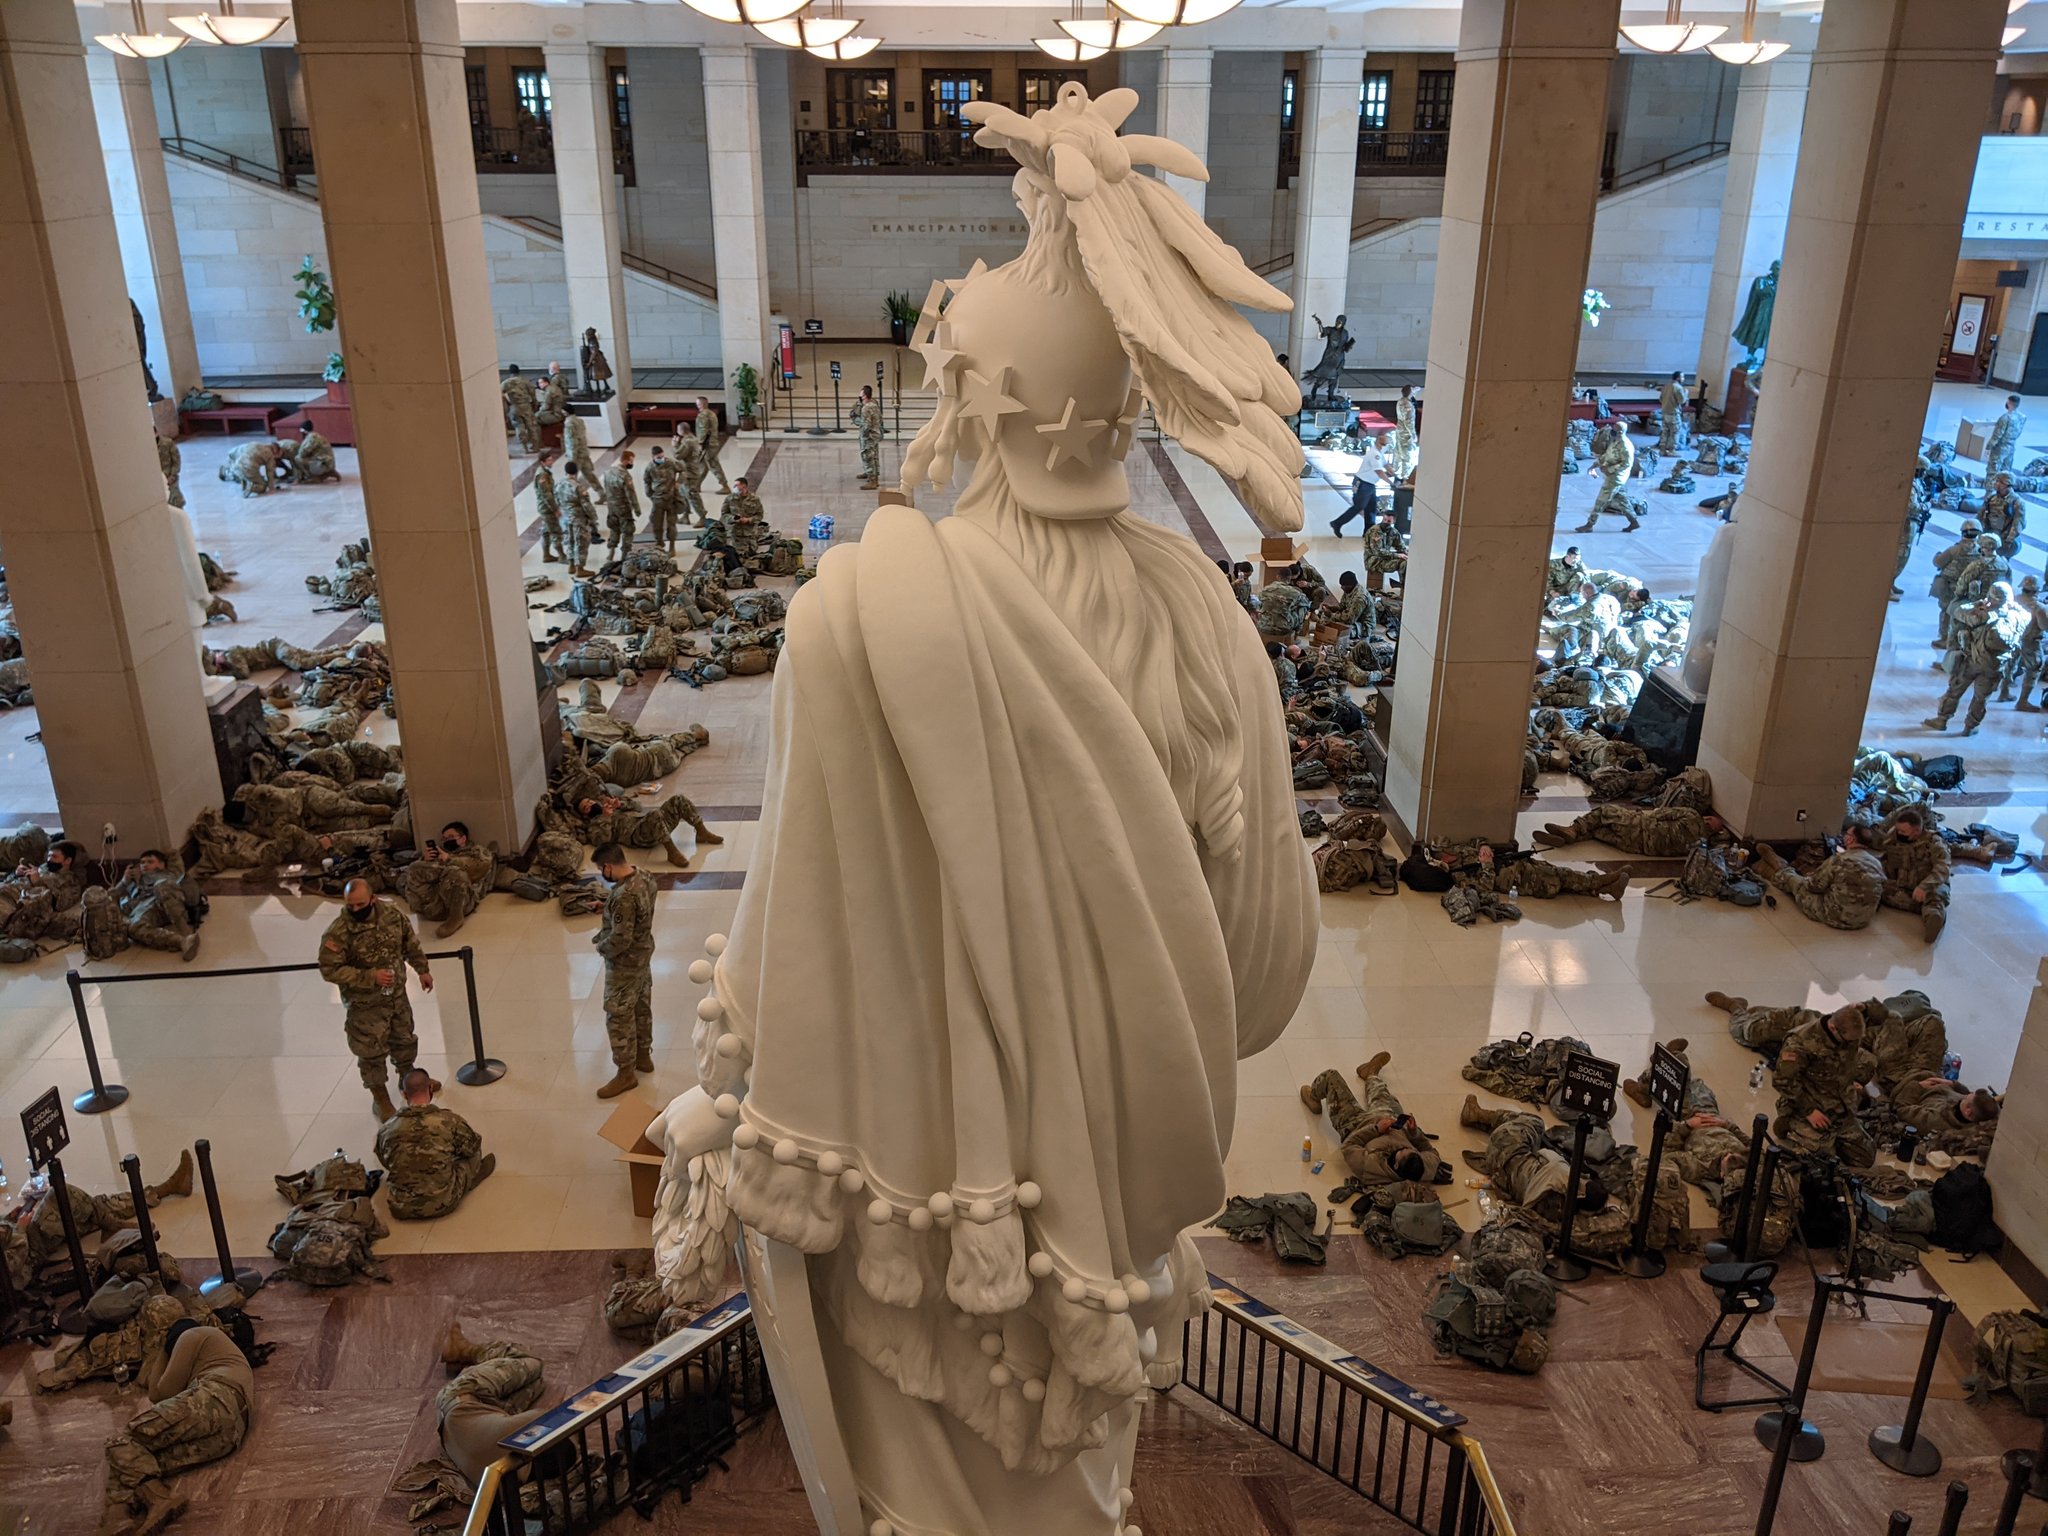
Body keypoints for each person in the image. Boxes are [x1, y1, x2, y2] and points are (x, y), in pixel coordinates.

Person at [95, 1316, 254, 1536]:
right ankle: (119, 1516)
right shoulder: (215, 1351)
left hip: (215, 1400)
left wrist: (163, 1349)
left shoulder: (192, 1335)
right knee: (138, 1459)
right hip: (229, 1434)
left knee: (123, 1439)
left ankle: (151, 1502)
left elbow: (159, 1393)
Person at [317, 877, 434, 1121]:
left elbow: (409, 943)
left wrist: (422, 969)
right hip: (365, 1006)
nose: (356, 910)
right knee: (371, 1052)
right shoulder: (338, 932)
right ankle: (379, 1096)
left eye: (361, 904)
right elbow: (330, 970)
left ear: (372, 898)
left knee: (404, 1039)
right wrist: (370, 976)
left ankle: (410, 1078)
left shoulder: (391, 916)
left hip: (397, 997)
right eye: (351, 906)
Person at [27, 1152, 192, 1271]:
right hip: (31, 1247)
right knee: (60, 1196)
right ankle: (113, 1224)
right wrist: (21, 1229)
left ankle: (169, 1187)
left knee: (91, 1207)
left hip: (26, 1236)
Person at [1300, 1052, 1443, 1188]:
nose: (1405, 1147)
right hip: (1388, 1119)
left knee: (1331, 1077)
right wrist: (1413, 1133)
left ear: (1396, 1165)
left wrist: (1376, 1129)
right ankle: (1370, 1073)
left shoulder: (1371, 1169)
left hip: (1355, 1125)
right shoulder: (1425, 1167)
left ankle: (1313, 1096)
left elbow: (1349, 1146)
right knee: (1382, 1095)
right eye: (1409, 1149)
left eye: (1402, 1151)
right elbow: (1430, 1151)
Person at [1456, 1100, 1607, 1223]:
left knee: (1536, 1123)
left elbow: (1545, 1153)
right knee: (1528, 1141)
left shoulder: (1563, 1174)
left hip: (1505, 1144)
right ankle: (1483, 1124)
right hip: (1498, 1173)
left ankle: (1480, 1115)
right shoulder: (1559, 1215)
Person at [375, 1067, 495, 1220]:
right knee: (473, 1155)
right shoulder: (449, 1121)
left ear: (404, 1094)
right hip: (443, 1203)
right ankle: (471, 1177)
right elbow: (472, 1146)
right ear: (430, 1088)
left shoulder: (386, 1129)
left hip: (400, 1206)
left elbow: (385, 1161)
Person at [436, 1325, 550, 1484]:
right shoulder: (512, 1482)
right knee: (537, 1383)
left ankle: (466, 1350)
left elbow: (547, 1417)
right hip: (453, 1425)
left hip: (459, 1394)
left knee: (531, 1364)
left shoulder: (517, 1438)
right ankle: (475, 1363)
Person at [1771, 1003, 1876, 1166]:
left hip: (1840, 1103)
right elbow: (1782, 1081)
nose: (1852, 1044)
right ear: (1833, 1028)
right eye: (1849, 1040)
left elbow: (1855, 1016)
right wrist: (1809, 1111)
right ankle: (1788, 1122)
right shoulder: (1799, 1043)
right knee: (1821, 1162)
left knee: (1865, 1158)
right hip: (1811, 1105)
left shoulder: (1847, 1026)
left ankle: (1831, 1138)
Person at [592, 843, 655, 1100]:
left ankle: (625, 1073)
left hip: (624, 965)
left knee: (618, 1015)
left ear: (608, 866)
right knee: (641, 1005)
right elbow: (635, 912)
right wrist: (607, 906)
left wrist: (600, 947)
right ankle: (643, 1057)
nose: (601, 874)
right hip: (643, 955)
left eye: (600, 869)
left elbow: (620, 940)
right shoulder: (646, 877)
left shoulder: (623, 897)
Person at [1928, 580, 2022, 735]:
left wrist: (1978, 603)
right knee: (1981, 698)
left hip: (1973, 660)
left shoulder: (1982, 615)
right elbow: (2026, 616)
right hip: (1995, 666)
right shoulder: (2018, 617)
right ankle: (1970, 727)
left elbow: (1958, 611)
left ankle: (1942, 720)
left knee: (1955, 691)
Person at [1751, 823, 1884, 930]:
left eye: (1846, 834)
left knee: (1795, 881)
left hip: (1833, 916)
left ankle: (1775, 867)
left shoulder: (1839, 860)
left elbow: (1813, 886)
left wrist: (1808, 878)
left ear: (1850, 839)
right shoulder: (1876, 863)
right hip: (1863, 920)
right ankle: (1774, 865)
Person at [399, 821, 495, 940]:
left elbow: (479, 868)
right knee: (414, 868)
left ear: (463, 838)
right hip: (434, 903)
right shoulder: (440, 853)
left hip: (462, 901)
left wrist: (449, 859)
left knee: (455, 872)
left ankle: (456, 918)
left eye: (450, 837)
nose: (446, 841)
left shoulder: (477, 851)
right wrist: (425, 860)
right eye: (444, 838)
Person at [1872, 805, 1951, 942]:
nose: (1899, 833)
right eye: (1898, 830)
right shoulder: (1894, 837)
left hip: (1926, 885)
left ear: (1917, 830)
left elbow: (1943, 868)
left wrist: (1924, 887)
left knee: (1935, 897)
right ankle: (1919, 906)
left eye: (1903, 831)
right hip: (1901, 884)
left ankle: (1933, 918)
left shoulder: (1934, 842)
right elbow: (1885, 855)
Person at [111, 849, 201, 961]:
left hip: (171, 901)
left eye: (150, 861)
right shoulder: (134, 883)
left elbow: (173, 853)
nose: (145, 865)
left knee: (161, 886)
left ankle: (185, 931)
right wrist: (124, 882)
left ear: (162, 864)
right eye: (142, 862)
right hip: (149, 907)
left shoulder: (171, 873)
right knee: (134, 928)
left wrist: (161, 857)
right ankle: (181, 941)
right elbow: (109, 898)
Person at [1531, 805, 1722, 857]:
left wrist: (1636, 814)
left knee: (1604, 812)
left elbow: (1660, 814)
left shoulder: (1692, 815)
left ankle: (1573, 829)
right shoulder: (1700, 847)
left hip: (1639, 828)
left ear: (1707, 819)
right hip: (1637, 848)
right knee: (1598, 830)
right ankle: (1567, 839)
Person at [1929, 519, 1983, 650]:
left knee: (1946, 612)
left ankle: (1944, 638)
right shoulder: (1980, 551)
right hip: (1969, 588)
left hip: (1951, 586)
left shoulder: (1954, 549)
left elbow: (1938, 563)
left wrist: (1937, 556)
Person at [1576, 423, 1639, 533]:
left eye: (1614, 429)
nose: (1611, 431)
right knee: (1622, 500)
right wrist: (1596, 464)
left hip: (1615, 478)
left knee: (1600, 501)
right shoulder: (1615, 441)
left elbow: (1626, 464)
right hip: (1613, 477)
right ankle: (1633, 521)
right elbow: (1607, 455)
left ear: (1620, 432)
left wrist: (1609, 469)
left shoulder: (1625, 446)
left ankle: (1589, 524)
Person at [1891, 1075, 2000, 1139]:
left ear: (1968, 1112)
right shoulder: (1971, 1112)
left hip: (1905, 1079)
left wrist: (1916, 1086)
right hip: (1929, 1074)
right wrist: (1953, 1084)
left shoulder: (1934, 1120)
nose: (1967, 1095)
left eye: (1967, 1098)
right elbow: (1991, 1109)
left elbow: (1901, 1108)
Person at [1329, 435, 1386, 537]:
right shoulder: (1374, 454)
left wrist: (1395, 475)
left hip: (1370, 484)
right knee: (1359, 506)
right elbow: (1379, 472)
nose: (1385, 446)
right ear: (1378, 442)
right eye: (1383, 443)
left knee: (1371, 508)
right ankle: (1337, 523)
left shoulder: (1380, 453)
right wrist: (1391, 483)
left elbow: (1386, 465)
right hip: (1363, 484)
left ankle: (1368, 532)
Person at [2011, 574, 2048, 711]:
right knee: (2034, 670)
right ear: (2037, 590)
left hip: (2014, 639)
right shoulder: (2040, 607)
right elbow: (2045, 627)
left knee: (2011, 666)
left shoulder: (2015, 599)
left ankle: (2004, 692)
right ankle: (2023, 701)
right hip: (2031, 643)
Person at [560, 460, 600, 578]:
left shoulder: (560, 484)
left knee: (570, 540)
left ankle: (571, 565)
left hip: (566, 517)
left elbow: (557, 500)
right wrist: (593, 518)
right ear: (576, 472)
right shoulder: (578, 487)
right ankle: (580, 568)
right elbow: (586, 504)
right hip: (578, 518)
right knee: (581, 542)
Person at [642, 445, 682, 553]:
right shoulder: (649, 467)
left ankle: (672, 546)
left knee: (671, 524)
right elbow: (646, 481)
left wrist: (678, 482)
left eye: (662, 456)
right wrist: (650, 494)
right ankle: (659, 542)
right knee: (656, 523)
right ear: (653, 456)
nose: (661, 459)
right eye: (658, 457)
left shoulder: (671, 463)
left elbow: (683, 470)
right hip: (658, 499)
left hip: (671, 498)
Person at [602, 450, 641, 562]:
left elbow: (606, 489)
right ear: (625, 460)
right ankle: (624, 555)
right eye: (631, 461)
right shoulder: (625, 475)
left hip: (611, 507)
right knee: (628, 531)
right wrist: (636, 508)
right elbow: (631, 494)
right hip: (623, 508)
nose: (632, 463)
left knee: (614, 529)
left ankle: (611, 553)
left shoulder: (608, 472)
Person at [669, 429, 711, 527]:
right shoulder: (693, 439)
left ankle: (702, 517)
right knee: (684, 494)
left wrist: (674, 445)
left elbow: (678, 455)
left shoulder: (687, 442)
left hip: (689, 472)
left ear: (680, 430)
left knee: (692, 495)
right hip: (690, 471)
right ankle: (685, 515)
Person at [1979, 471, 2026, 558]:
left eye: (2000, 482)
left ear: (2008, 485)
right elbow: (1980, 516)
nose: (1996, 484)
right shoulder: (1991, 498)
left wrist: (2009, 540)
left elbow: (2018, 524)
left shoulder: (2017, 502)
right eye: (1996, 481)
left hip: (2005, 538)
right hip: (1989, 533)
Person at [693, 396, 731, 493]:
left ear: (702, 404)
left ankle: (724, 485)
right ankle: (696, 485)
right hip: (713, 442)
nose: (697, 405)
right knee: (703, 465)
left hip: (708, 444)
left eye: (698, 403)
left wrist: (700, 443)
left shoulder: (703, 415)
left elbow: (703, 430)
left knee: (713, 465)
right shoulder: (712, 414)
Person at [532, 450, 564, 564]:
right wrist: (555, 509)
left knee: (546, 531)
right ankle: (562, 556)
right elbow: (547, 495)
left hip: (544, 507)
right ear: (542, 462)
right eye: (549, 460)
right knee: (556, 531)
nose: (552, 461)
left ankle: (546, 555)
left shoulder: (544, 472)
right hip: (547, 508)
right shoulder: (543, 475)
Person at [501, 365, 540, 454]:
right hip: (526, 406)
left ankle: (524, 447)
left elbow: (499, 393)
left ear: (510, 372)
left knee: (519, 426)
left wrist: (507, 403)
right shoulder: (526, 382)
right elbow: (533, 395)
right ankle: (535, 447)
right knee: (531, 426)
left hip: (514, 407)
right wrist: (534, 405)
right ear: (519, 371)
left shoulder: (506, 383)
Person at [852, 383, 883, 490]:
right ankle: (871, 474)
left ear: (864, 395)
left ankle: (872, 480)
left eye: (861, 394)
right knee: (874, 456)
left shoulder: (866, 408)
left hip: (869, 436)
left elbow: (867, 424)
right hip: (875, 434)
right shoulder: (874, 404)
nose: (859, 396)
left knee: (868, 456)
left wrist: (864, 436)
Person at [1987, 392, 2027, 475]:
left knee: (1993, 470)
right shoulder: (2022, 417)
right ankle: (2002, 486)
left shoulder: (2005, 418)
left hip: (2001, 447)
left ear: (2009, 403)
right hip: (2011, 445)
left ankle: (1990, 487)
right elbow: (2019, 431)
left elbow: (1998, 434)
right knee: (2006, 470)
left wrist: (1990, 445)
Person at [1391, 384, 1418, 480]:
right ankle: (1405, 477)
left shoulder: (1401, 401)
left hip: (1399, 430)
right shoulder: (1407, 404)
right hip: (1406, 433)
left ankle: (1395, 471)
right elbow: (1408, 421)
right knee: (1407, 455)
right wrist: (1413, 434)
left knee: (1398, 452)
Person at [1658, 370, 1687, 454]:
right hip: (1674, 413)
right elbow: (1682, 401)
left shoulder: (1666, 386)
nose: (1683, 379)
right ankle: (1672, 450)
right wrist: (1686, 394)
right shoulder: (1678, 388)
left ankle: (1662, 450)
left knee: (1665, 431)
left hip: (1664, 412)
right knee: (1675, 432)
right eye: (1682, 377)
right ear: (1678, 378)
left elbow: (1660, 399)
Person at [156, 432, 183, 510]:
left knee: (175, 500)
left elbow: (176, 459)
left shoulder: (167, 443)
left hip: (169, 476)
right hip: (158, 479)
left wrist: (173, 474)